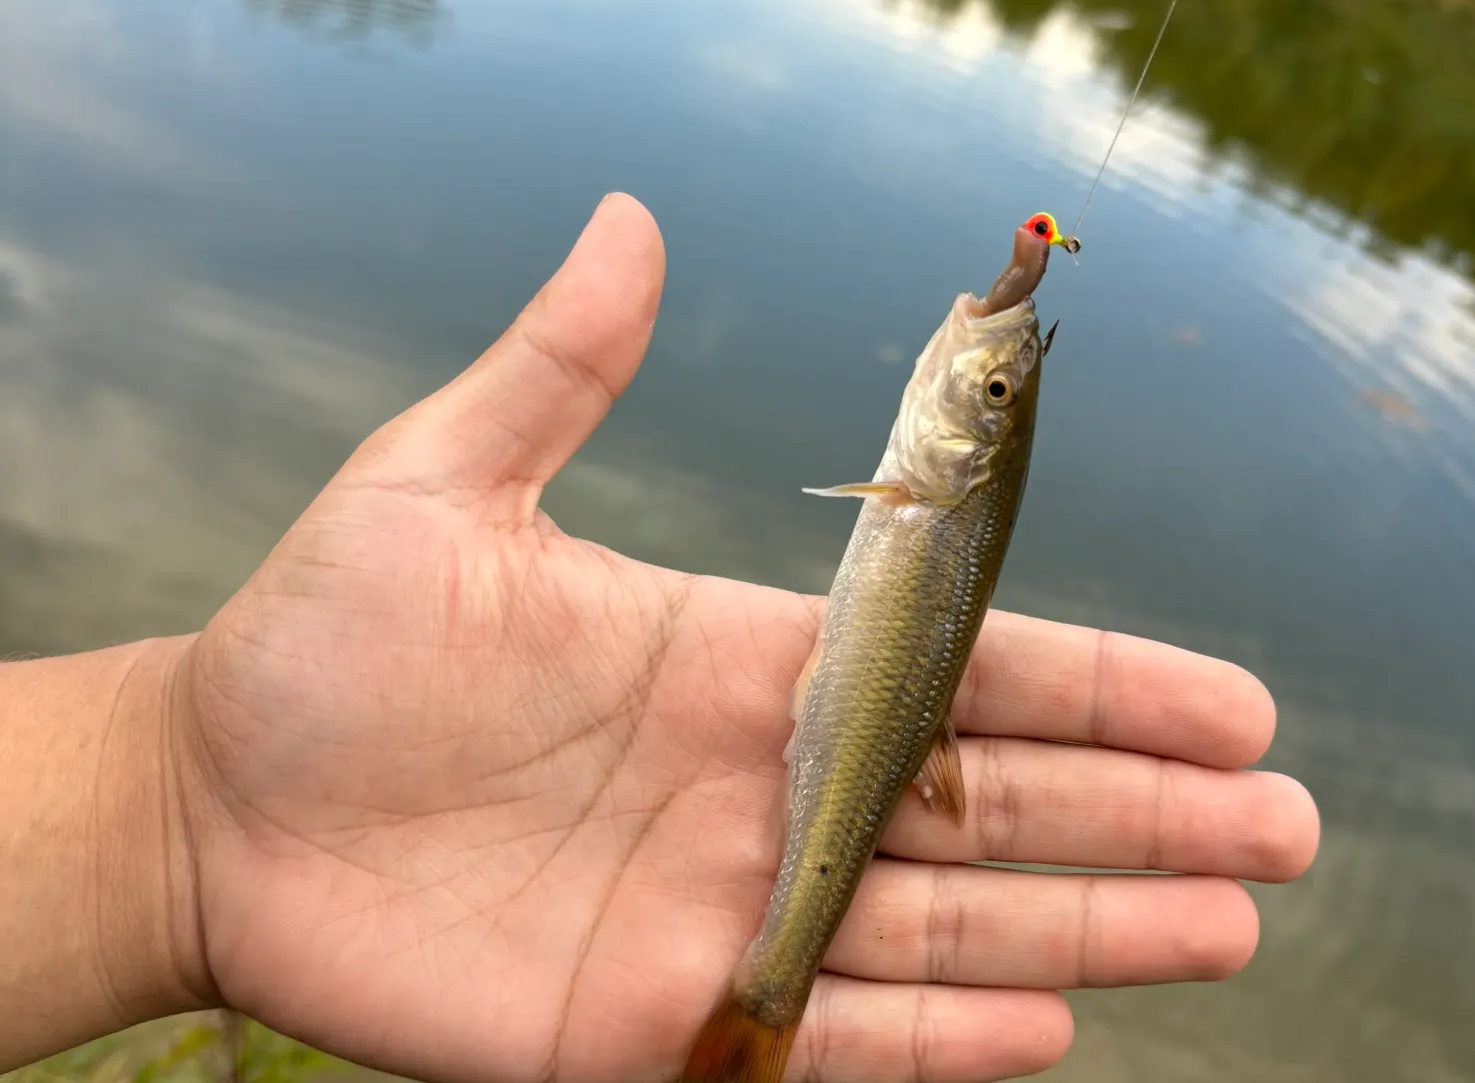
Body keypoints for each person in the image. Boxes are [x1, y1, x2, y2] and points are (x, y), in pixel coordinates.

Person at [0, 195, 1319, 1082]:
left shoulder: (927, 490)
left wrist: (172, 810)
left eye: (992, 388)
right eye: (993, 378)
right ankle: (770, 999)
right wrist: (177, 803)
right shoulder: (938, 473)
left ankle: (766, 997)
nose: (986, 355)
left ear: (961, 447)